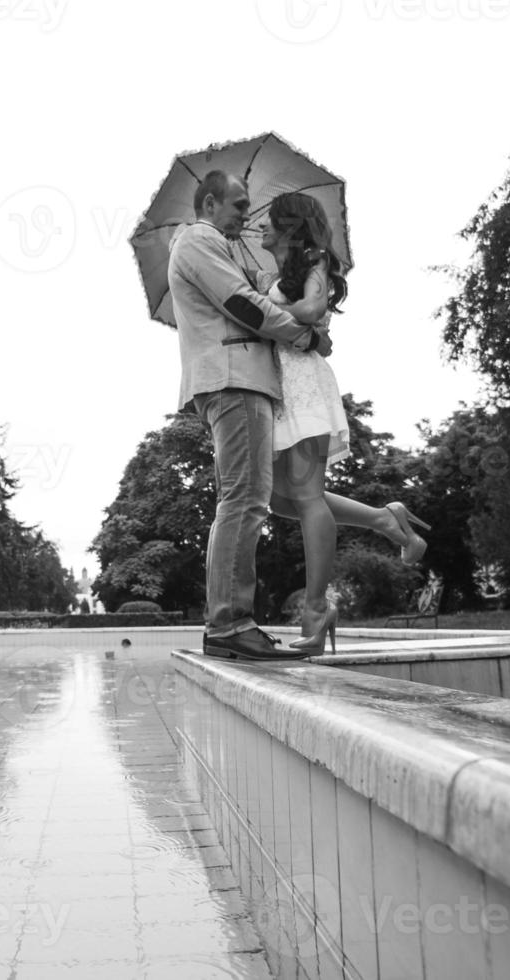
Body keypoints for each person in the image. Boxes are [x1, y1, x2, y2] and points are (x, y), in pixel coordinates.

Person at [258, 192, 431, 653]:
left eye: (269, 222)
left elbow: (313, 312)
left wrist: (266, 317)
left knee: (308, 498)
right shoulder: (277, 277)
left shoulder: (314, 265)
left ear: (290, 229)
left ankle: (315, 610)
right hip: (281, 394)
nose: (260, 228)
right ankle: (382, 518)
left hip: (306, 389)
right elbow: (303, 326)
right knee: (281, 500)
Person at [168, 171, 330, 661]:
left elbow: (264, 292)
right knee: (244, 499)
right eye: (239, 206)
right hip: (234, 379)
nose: (246, 215)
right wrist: (302, 337)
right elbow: (244, 305)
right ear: (211, 203)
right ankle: (230, 622)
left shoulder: (224, 249)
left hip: (240, 381)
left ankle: (229, 622)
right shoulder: (198, 239)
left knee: (246, 497)